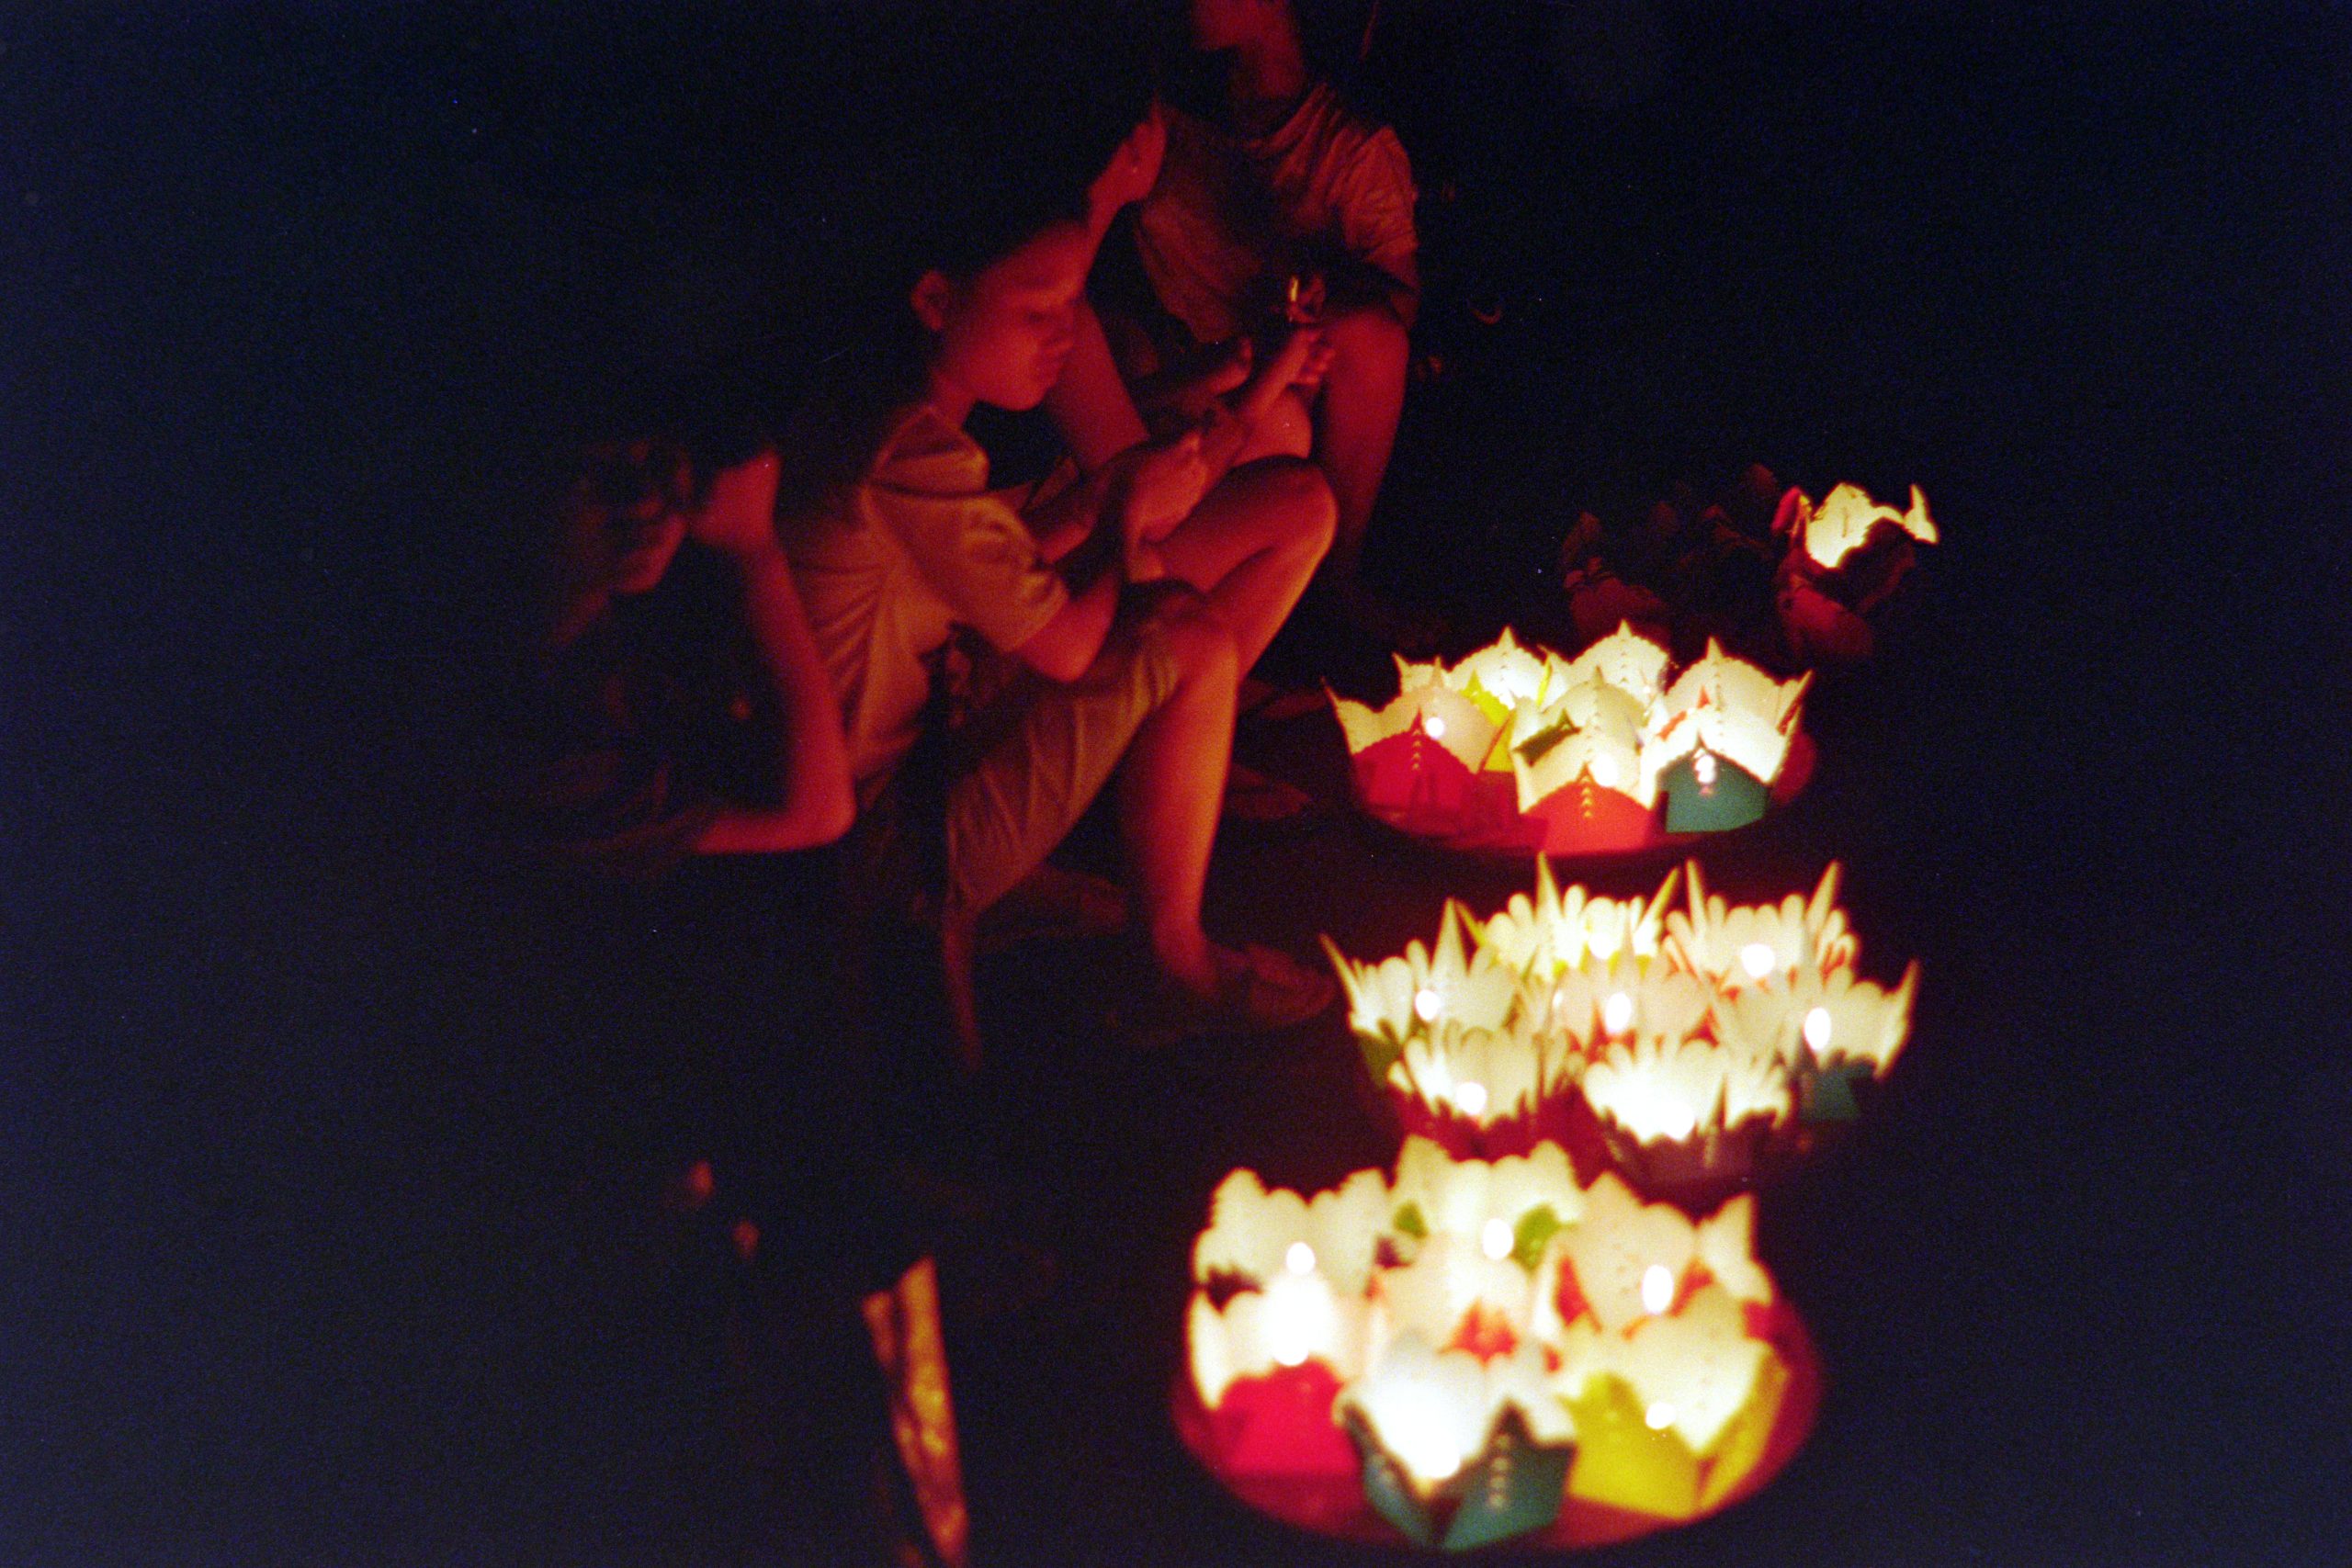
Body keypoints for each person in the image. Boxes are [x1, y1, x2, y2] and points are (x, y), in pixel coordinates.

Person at [779, 168, 1340, 1056]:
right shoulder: (910, 453)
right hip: (893, 834)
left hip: (901, 770)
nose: (1064, 336)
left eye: (1073, 307)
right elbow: (1075, 647)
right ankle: (1172, 960)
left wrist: (1101, 504)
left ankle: (1110, 879)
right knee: (1186, 632)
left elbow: (991, 558)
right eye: (1037, 313)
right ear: (935, 298)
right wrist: (1120, 513)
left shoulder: (886, 420)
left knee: (1181, 592)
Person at [1103, 0, 1421, 638]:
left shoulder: (1349, 149)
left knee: (1322, 385)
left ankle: (1329, 585)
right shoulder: (1170, 112)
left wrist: (1316, 288)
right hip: (1168, 369)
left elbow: (1397, 308)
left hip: (1269, 381)